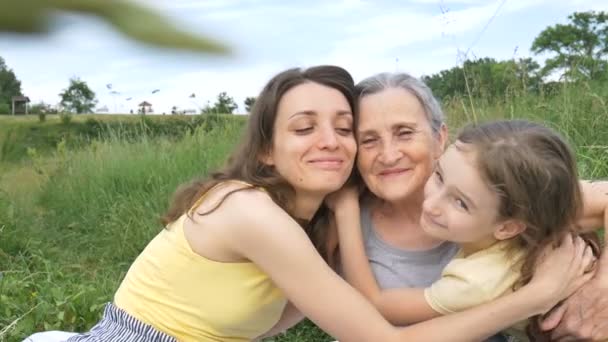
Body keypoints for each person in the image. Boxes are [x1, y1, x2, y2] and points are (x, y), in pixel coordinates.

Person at [24, 66, 590, 342]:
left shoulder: (323, 217)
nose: (332, 141)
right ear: (267, 151)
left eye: (345, 129)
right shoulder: (251, 213)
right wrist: (536, 295)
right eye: (304, 127)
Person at [324, 72, 608, 342]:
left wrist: (602, 289)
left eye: (404, 132)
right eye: (369, 140)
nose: (388, 155)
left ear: (439, 139)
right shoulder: (341, 219)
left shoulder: (500, 190)